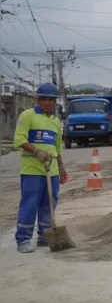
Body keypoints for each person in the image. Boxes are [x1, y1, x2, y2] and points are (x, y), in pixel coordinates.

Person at [13, 83, 68, 253]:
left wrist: (61, 168)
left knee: (49, 203)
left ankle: (44, 236)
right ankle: (23, 239)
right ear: (37, 100)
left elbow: (57, 149)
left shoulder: (55, 121)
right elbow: (19, 140)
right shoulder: (28, 115)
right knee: (30, 203)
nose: (47, 102)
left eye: (50, 99)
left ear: (54, 101)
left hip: (50, 171)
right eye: (43, 99)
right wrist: (36, 151)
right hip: (32, 171)